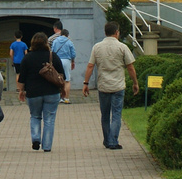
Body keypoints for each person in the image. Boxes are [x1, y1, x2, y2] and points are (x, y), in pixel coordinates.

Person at [82, 20, 138, 150]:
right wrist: (135, 82)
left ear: (105, 33)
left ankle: (107, 140)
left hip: (103, 85)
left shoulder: (97, 47)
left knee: (105, 115)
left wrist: (86, 83)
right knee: (116, 115)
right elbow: (130, 67)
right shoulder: (122, 47)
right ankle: (113, 140)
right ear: (117, 33)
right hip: (118, 85)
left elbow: (90, 66)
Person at [15, 32, 66, 152]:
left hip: (33, 93)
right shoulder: (52, 56)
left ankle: (36, 139)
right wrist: (63, 90)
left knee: (35, 116)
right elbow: (62, 75)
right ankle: (47, 146)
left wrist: (21, 91)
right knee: (49, 119)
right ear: (46, 43)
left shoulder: (27, 58)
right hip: (52, 92)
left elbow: (22, 77)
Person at [51, 27, 77, 104]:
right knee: (67, 80)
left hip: (57, 60)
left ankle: (59, 98)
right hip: (66, 60)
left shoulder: (55, 41)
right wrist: (73, 61)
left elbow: (52, 52)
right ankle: (66, 98)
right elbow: (73, 54)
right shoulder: (69, 42)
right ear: (67, 35)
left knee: (57, 79)